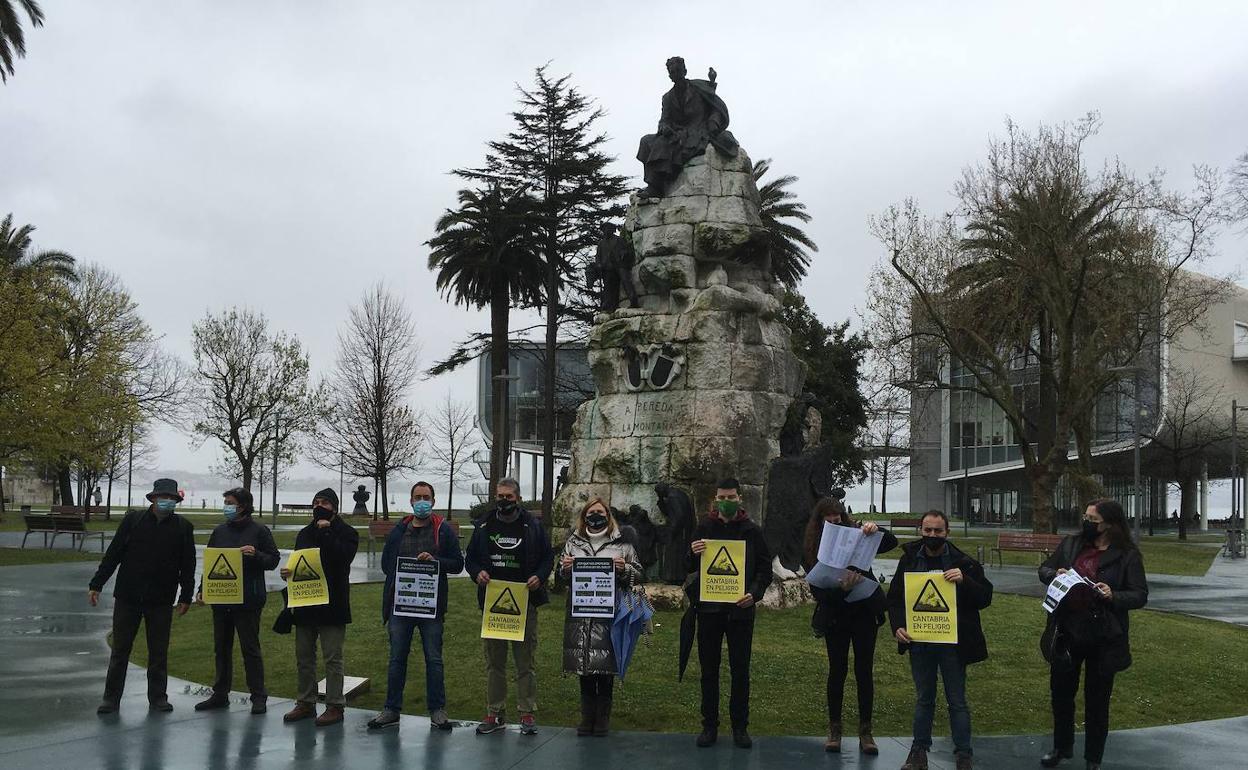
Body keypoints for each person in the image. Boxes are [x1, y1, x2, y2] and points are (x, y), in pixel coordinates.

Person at [1038, 499, 1148, 770]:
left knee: (1097, 702)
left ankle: (1093, 759)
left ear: (1109, 524)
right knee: (1061, 695)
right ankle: (1061, 748)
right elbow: (1044, 568)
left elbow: (1140, 594)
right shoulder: (1071, 544)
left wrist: (1114, 595)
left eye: (1092, 519)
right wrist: (1056, 573)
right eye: (1085, 517)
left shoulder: (1127, 555)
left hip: (1103, 636)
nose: (1086, 523)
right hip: (1067, 631)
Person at [888, 510, 993, 770]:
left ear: (947, 532)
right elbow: (895, 598)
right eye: (927, 531)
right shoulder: (910, 560)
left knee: (957, 701)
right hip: (920, 642)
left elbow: (984, 598)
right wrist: (898, 626)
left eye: (937, 531)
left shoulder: (964, 563)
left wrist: (964, 581)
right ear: (920, 532)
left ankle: (963, 756)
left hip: (953, 645)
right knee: (924, 698)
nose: (932, 535)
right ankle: (918, 753)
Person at [88, 478, 196, 714]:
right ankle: (111, 698)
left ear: (176, 501)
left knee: (158, 652)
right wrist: (97, 583)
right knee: (120, 650)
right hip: (128, 596)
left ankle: (158, 697)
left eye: (171, 498)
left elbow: (188, 565)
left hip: (161, 599)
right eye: (162, 497)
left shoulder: (183, 527)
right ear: (153, 498)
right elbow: (114, 553)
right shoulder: (133, 521)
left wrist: (186, 595)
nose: (167, 501)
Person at [801, 496, 898, 754]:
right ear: (820, 522)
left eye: (839, 519)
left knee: (864, 670)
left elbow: (891, 543)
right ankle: (835, 728)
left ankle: (866, 731)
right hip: (836, 614)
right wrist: (843, 589)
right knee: (837, 670)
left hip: (864, 612)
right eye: (829, 520)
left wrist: (876, 530)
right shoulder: (812, 548)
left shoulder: (856, 534)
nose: (835, 523)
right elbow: (819, 592)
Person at [368, 481, 465, 731]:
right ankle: (391, 709)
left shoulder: (442, 530)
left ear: (433, 501)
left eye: (426, 497)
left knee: (433, 659)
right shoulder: (399, 529)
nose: (422, 501)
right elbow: (387, 564)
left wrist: (435, 562)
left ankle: (437, 710)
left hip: (431, 609)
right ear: (411, 501)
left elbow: (457, 564)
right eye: (417, 496)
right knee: (396, 658)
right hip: (400, 606)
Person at [687, 477, 772, 749]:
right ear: (715, 499)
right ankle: (709, 725)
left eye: (731, 497)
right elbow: (686, 563)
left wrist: (755, 593)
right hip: (709, 610)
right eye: (722, 497)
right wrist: (692, 551)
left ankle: (740, 727)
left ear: (739, 499)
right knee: (709, 671)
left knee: (740, 670)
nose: (726, 502)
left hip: (740, 611)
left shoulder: (752, 531)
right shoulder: (704, 527)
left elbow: (764, 568)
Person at [464, 478, 553, 736]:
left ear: (518, 498)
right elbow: (470, 558)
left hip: (525, 602)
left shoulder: (533, 525)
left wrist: (540, 575)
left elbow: (548, 556)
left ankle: (526, 712)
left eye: (508, 497)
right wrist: (477, 573)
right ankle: (495, 712)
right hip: (493, 604)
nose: (504, 501)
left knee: (525, 662)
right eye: (500, 496)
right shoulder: (484, 525)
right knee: (495, 662)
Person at [558, 498, 642, 737]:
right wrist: (563, 568)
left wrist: (624, 569)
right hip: (580, 614)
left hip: (609, 613)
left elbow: (639, 573)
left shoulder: (623, 544)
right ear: (584, 517)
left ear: (608, 515)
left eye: (600, 512)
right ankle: (587, 716)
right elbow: (560, 574)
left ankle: (603, 717)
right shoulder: (573, 542)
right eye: (591, 512)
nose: (596, 516)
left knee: (605, 666)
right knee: (584, 665)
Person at [193, 487, 280, 714]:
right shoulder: (219, 531)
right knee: (221, 648)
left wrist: (256, 555)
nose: (226, 506)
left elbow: (273, 560)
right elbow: (211, 564)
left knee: (250, 648)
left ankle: (258, 696)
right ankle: (220, 693)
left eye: (229, 502)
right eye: (225, 502)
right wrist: (203, 589)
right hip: (222, 599)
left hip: (248, 600)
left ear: (242, 506)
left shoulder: (259, 531)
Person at [282, 488, 359, 727]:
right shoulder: (305, 533)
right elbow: (301, 561)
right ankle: (305, 701)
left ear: (334, 507)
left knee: (332, 657)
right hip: (306, 602)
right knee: (304, 655)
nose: (319, 505)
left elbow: (342, 558)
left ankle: (335, 705)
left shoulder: (347, 533)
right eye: (315, 501)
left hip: (332, 604)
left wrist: (326, 532)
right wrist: (289, 572)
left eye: (324, 502)